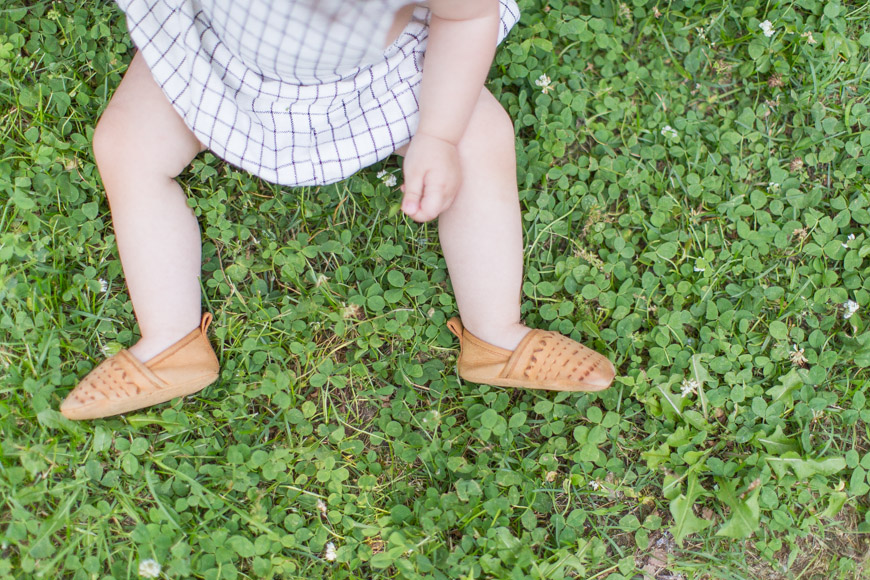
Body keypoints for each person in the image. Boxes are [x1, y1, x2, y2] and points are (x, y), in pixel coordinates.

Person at [59, 0, 615, 420]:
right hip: (213, 59)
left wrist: (439, 135)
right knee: (126, 145)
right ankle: (169, 341)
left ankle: (495, 333)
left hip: (379, 77)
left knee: (481, 135)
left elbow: (465, 18)